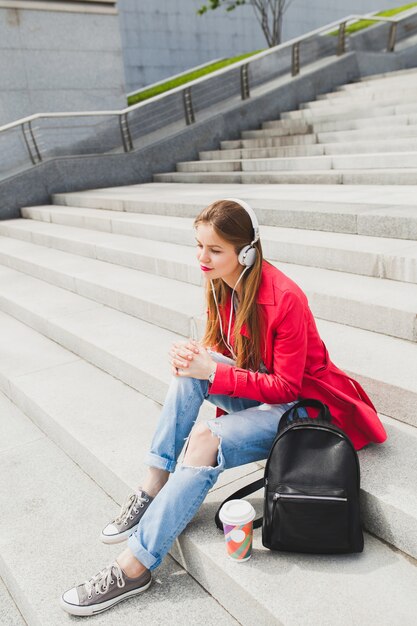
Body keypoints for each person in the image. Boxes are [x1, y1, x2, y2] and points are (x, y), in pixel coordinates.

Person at [60, 198, 387, 616]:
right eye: (198, 246)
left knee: (204, 438)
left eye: (214, 250)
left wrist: (212, 372)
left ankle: (134, 567)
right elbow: (226, 349)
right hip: (265, 392)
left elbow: (286, 385)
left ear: (246, 252)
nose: (202, 258)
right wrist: (196, 356)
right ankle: (153, 484)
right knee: (189, 372)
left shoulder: (286, 298)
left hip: (302, 409)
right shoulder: (221, 283)